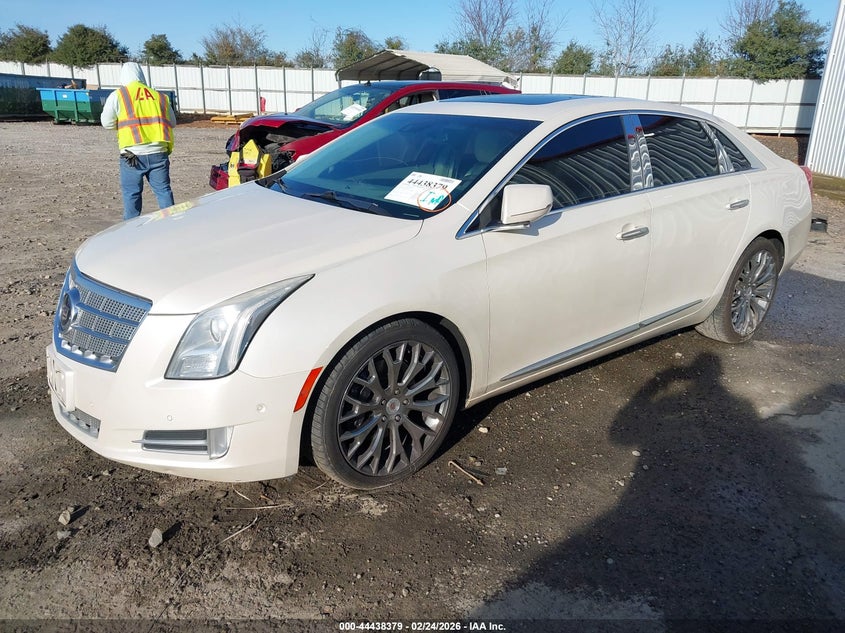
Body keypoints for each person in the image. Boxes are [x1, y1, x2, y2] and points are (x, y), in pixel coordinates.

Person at [101, 62, 176, 220]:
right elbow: (172, 122)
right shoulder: (160, 96)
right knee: (163, 191)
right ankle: (172, 224)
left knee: (132, 195)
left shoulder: (118, 95)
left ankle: (131, 230)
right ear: (142, 75)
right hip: (158, 152)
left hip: (132, 155)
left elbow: (107, 123)